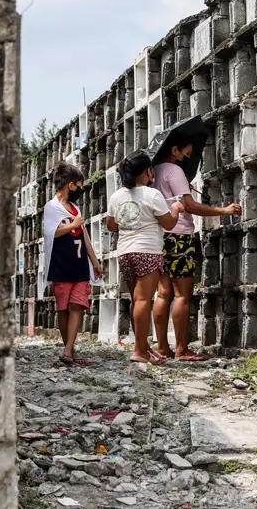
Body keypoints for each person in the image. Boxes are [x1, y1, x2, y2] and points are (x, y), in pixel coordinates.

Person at [153, 133, 242, 361]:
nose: (186, 158)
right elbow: (189, 205)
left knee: (163, 293)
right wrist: (223, 211)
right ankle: (182, 350)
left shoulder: (154, 172)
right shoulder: (174, 171)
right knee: (182, 294)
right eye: (186, 153)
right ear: (174, 150)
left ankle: (162, 348)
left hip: (159, 235)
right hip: (179, 235)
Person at [107, 151, 185, 365]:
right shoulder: (153, 195)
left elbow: (111, 225)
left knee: (136, 301)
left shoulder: (116, 196)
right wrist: (176, 208)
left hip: (125, 252)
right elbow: (169, 224)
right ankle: (139, 351)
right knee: (143, 300)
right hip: (147, 250)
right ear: (147, 171)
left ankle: (144, 347)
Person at [42, 163, 103, 367]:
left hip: (79, 265)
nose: (80, 190)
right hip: (60, 265)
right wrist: (72, 225)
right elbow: (51, 233)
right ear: (70, 185)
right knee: (63, 309)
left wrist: (95, 262)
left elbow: (84, 236)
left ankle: (68, 349)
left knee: (77, 306)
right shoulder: (52, 208)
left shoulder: (75, 208)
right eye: (79, 185)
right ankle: (70, 349)